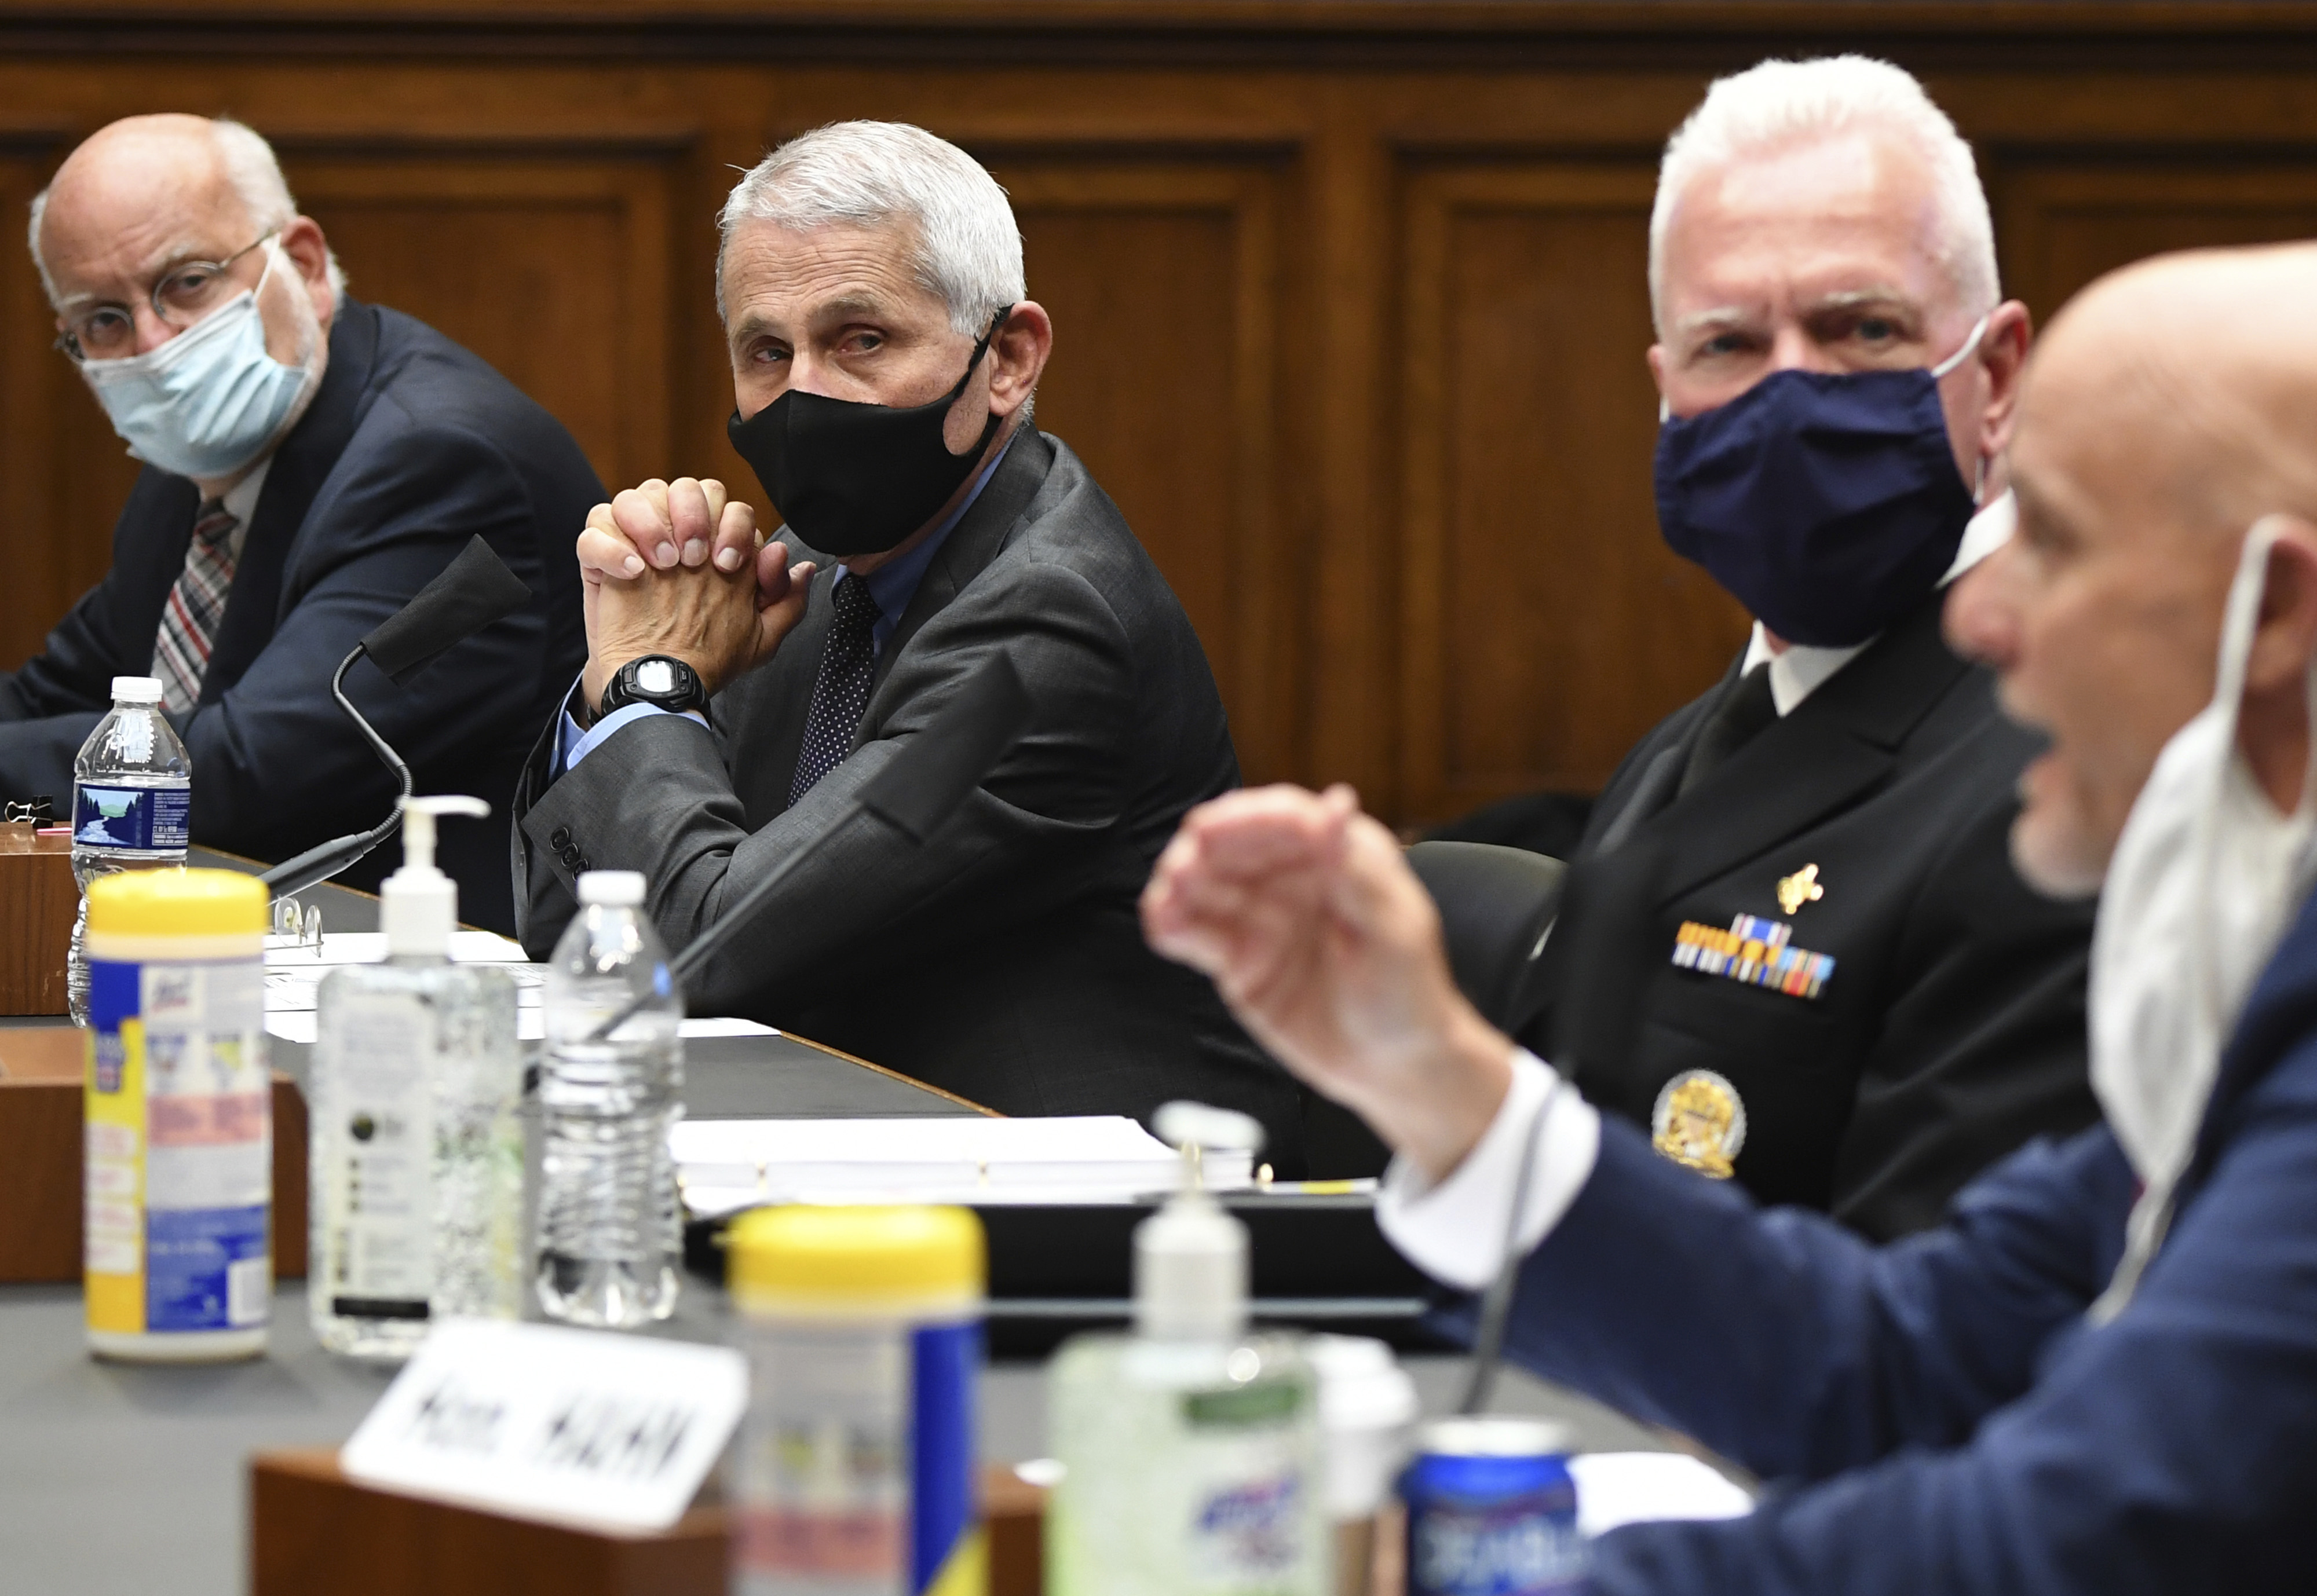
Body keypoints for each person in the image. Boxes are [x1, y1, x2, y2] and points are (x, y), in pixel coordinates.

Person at [1142, 239, 2317, 1590]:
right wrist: (1434, 1077)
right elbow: (1894, 1360)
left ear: (2271, 612)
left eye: (2045, 539)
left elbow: (2078, 1534)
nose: (1981, 614)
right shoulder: (2248, 952)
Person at [510, 122, 1303, 1164]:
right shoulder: (815, 574)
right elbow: (569, 928)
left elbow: (700, 949)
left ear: (1008, 359)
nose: (803, 394)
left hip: (1062, 1210)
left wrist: (652, 689)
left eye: (860, 340)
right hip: (836, 1135)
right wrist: (616, 688)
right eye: (766, 351)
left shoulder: (1048, 635)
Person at [1501, 57, 2093, 1238]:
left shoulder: (2061, 779)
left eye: (1859, 330)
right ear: (1665, 390)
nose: (1789, 396)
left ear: (1995, 375)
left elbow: (1921, 1339)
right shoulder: (1693, 744)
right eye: (1727, 345)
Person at [1, 115, 597, 933]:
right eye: (103, 319)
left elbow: (251, 772)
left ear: (305, 265)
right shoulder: (195, 472)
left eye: (188, 282)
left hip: (452, 985)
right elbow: (60, 695)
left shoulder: (441, 461)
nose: (152, 345)